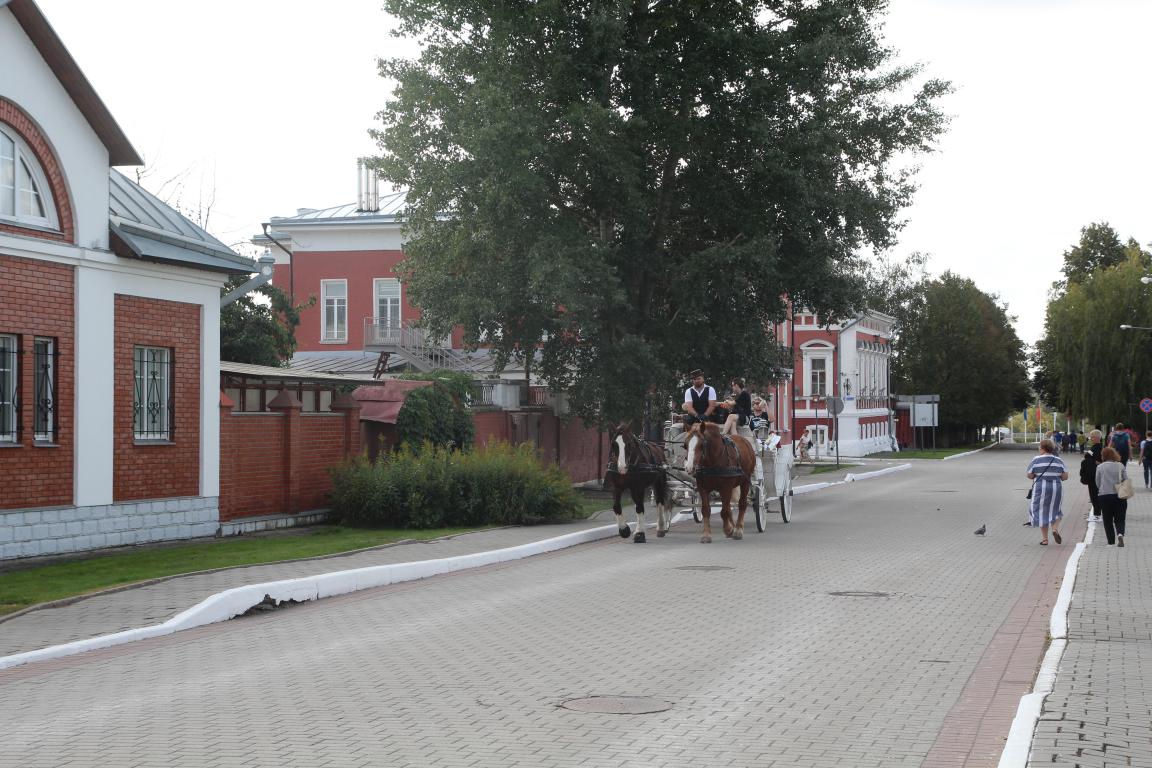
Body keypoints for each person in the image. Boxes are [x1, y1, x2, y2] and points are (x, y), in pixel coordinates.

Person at [1026, 438, 1067, 545]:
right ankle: (1054, 529)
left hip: (1040, 488)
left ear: (1043, 448)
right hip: (1056, 488)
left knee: (1040, 511)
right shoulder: (1059, 460)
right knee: (1056, 510)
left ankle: (1045, 540)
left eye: (1039, 447)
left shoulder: (1036, 459)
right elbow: (1065, 477)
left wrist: (1036, 475)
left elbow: (1029, 475)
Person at [1095, 446, 1129, 546]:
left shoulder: (1100, 467)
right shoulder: (1120, 465)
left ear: (1103, 455)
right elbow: (1126, 479)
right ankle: (1120, 533)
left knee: (1107, 519)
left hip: (1104, 496)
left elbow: (1097, 482)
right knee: (1120, 517)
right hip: (1119, 495)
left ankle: (1111, 541)